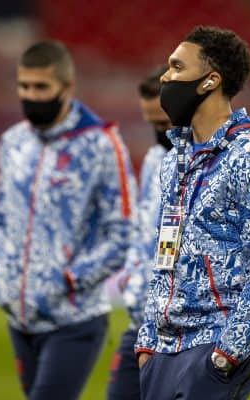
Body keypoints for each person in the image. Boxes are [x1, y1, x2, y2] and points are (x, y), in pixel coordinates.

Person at [134, 26, 250, 400]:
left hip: (216, 346)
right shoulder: (175, 159)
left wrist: (228, 352)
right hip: (165, 348)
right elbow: (165, 253)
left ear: (210, 81)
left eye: (176, 67)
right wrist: (148, 343)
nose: (166, 77)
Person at [0, 40, 136, 400]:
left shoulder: (100, 144)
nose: (31, 95)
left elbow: (124, 232)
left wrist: (69, 280)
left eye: (41, 87)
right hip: (20, 317)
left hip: (74, 319)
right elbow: (1, 214)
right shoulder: (13, 142)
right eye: (24, 86)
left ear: (67, 88)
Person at [108, 64, 172, 400]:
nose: (158, 131)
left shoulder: (204, 165)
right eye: (151, 123)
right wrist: (131, 278)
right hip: (140, 323)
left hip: (178, 328)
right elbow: (143, 229)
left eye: (163, 122)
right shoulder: (152, 160)